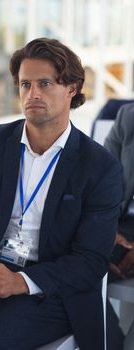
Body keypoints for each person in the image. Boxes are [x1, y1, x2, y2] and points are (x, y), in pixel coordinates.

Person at [0, 38, 123, 350]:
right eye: (25, 84)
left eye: (45, 84)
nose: (32, 94)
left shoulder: (100, 167)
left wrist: (21, 282)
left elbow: (90, 261)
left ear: (72, 88)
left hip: (51, 289)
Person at [104, 102, 134, 350]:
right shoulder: (128, 116)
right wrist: (104, 231)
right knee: (77, 262)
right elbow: (100, 182)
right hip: (121, 228)